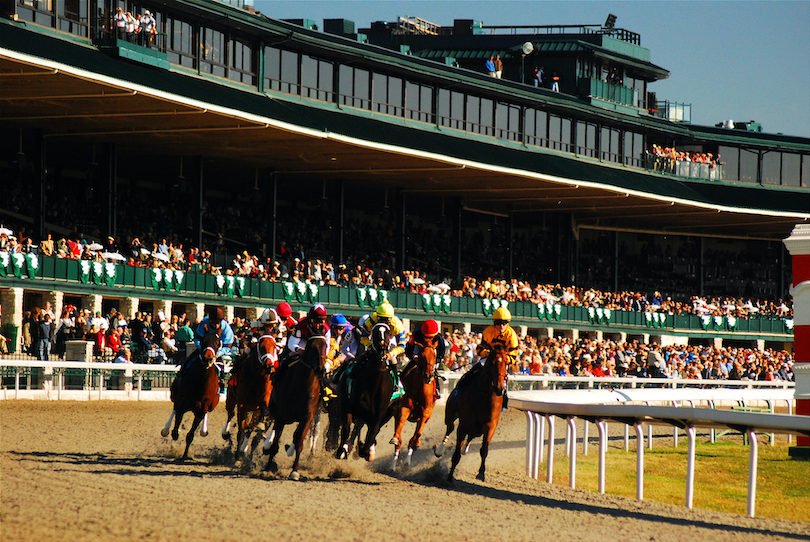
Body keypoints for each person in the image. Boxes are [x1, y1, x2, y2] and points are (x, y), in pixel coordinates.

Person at [404, 319, 447, 400]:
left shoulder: (439, 338)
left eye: (430, 337)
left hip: (432, 359)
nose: (428, 339)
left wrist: (436, 361)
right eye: (426, 337)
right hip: (417, 355)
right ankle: (401, 386)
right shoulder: (416, 334)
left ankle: (437, 390)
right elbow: (408, 348)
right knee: (406, 370)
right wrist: (413, 357)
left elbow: (441, 353)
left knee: (434, 373)